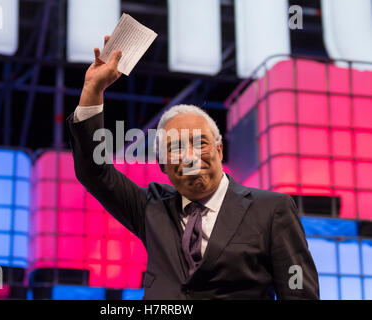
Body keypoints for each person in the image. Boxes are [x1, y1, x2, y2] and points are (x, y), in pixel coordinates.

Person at [66, 35, 320, 299]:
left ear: (220, 150)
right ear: (162, 164)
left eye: (200, 143)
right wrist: (93, 91)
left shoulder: (271, 209)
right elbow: (94, 171)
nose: (189, 156)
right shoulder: (151, 207)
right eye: (175, 148)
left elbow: (299, 294)